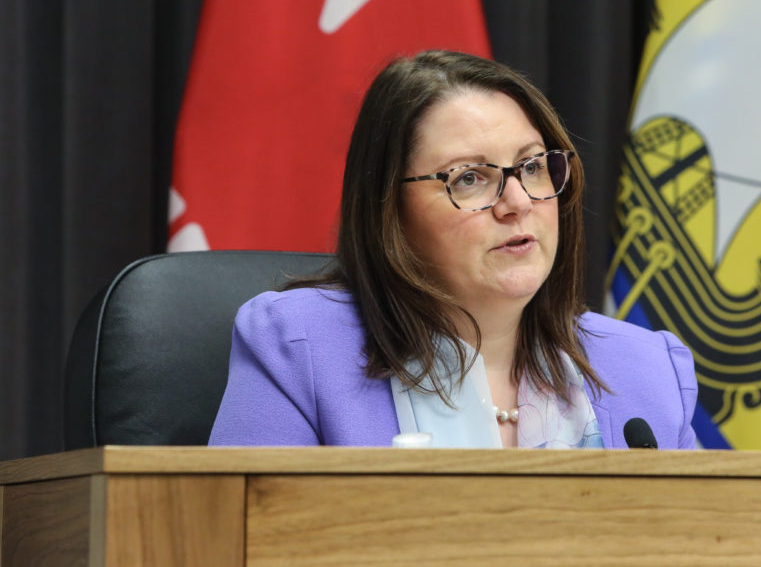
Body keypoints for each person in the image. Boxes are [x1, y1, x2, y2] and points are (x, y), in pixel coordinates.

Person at [209, 50, 698, 449]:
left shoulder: (646, 371)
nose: (517, 203)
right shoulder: (299, 350)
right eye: (468, 178)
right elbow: (242, 540)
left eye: (531, 167)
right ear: (389, 210)